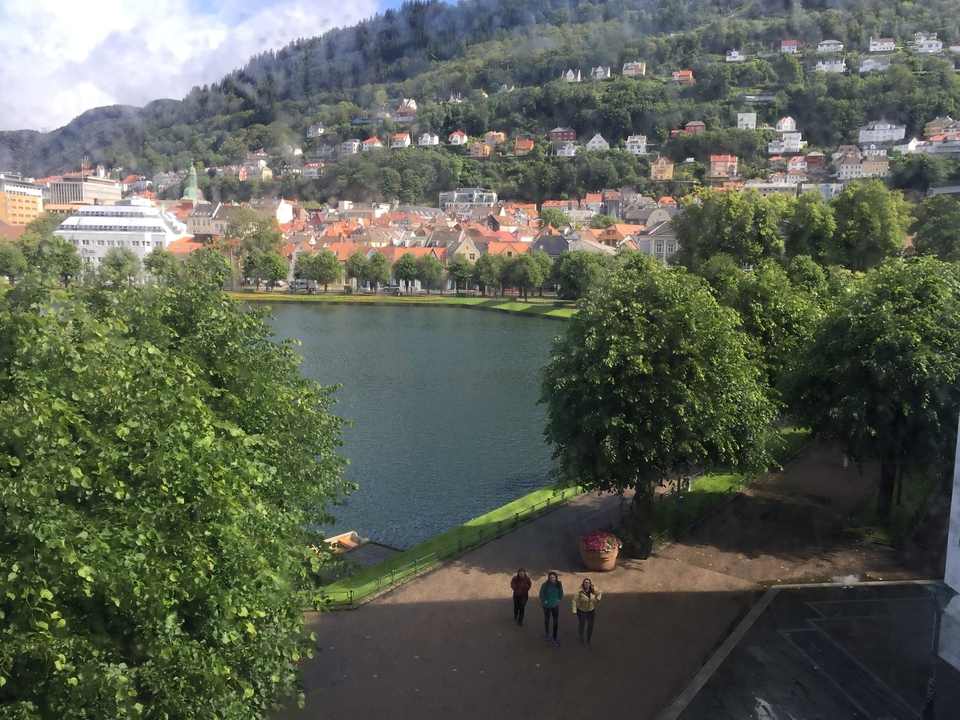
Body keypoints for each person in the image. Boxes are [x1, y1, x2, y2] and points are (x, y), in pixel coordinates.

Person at [572, 578, 602, 647]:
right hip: (581, 610)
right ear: (583, 584)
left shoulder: (593, 589)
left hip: (591, 610)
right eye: (585, 582)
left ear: (590, 584)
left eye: (588, 583)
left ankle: (588, 639)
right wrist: (574, 611)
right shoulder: (580, 591)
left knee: (590, 625)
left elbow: (599, 591)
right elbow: (574, 600)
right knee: (582, 624)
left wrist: (598, 598)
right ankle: (581, 638)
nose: (587, 584)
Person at [539, 571, 563, 646]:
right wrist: (545, 601)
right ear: (549, 578)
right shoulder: (545, 585)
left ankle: (555, 637)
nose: (552, 579)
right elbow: (541, 594)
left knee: (556, 622)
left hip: (555, 605)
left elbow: (561, 593)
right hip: (547, 606)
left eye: (553, 577)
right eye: (551, 577)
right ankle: (547, 633)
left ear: (555, 578)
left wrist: (558, 600)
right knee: (547, 619)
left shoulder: (558, 584)